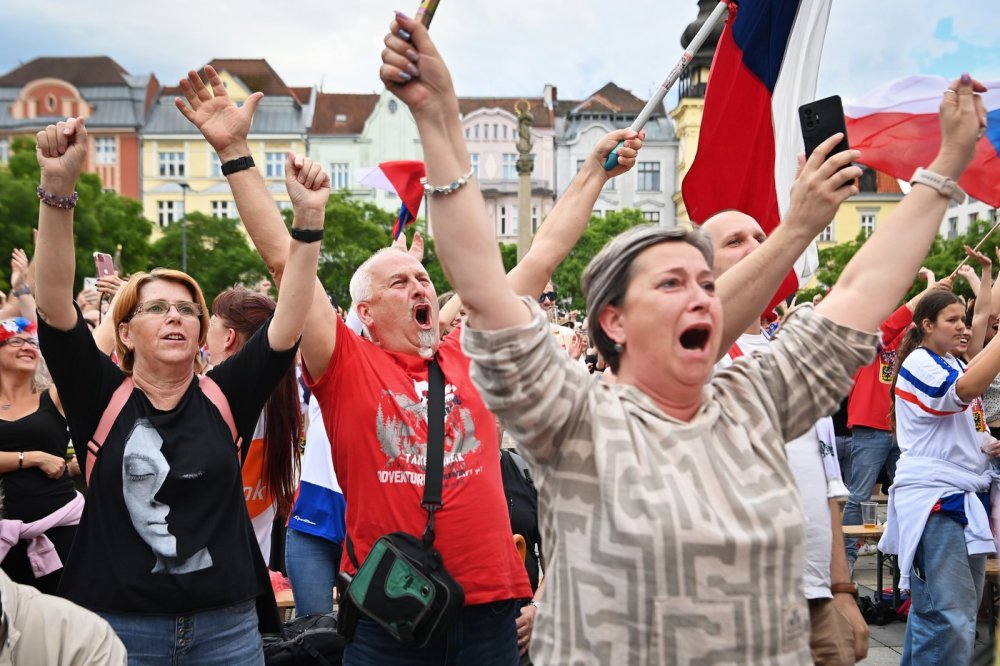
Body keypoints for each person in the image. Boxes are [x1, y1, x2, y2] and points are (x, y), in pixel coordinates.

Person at [381, 13, 987, 663]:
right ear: (612, 320)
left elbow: (862, 292)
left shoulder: (755, 398)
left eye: (706, 280)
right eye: (671, 282)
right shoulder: (574, 416)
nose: (702, 294)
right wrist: (439, 115)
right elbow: (482, 283)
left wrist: (946, 162)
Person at [177, 54, 650, 663]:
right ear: (365, 313)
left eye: (423, 278)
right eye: (400, 283)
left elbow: (541, 259)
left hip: (489, 612)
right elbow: (282, 261)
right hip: (390, 617)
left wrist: (592, 174)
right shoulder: (344, 362)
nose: (421, 287)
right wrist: (236, 156)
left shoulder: (469, 351)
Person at [32, 112, 326, 663]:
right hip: (117, 629)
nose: (176, 317)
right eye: (157, 308)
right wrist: (57, 190)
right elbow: (53, 305)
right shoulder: (101, 396)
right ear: (125, 331)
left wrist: (307, 222)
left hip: (228, 631)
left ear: (201, 332)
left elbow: (288, 319)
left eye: (187, 309)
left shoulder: (224, 395)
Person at [702, 210, 868, 665]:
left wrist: (843, 591)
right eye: (735, 241)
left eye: (761, 236)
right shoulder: (694, 359)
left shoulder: (793, 361)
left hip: (817, 599)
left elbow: (828, 486)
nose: (757, 245)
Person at [880, 287, 1000, 665]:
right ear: (926, 325)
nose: (963, 328)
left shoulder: (953, 362)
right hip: (939, 501)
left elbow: (966, 420)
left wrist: (988, 445)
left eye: (964, 320)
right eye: (953, 321)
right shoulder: (919, 362)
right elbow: (961, 393)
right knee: (949, 618)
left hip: (960, 498)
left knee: (940, 615)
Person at [207, 287, 302, 563]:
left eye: (212, 320)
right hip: (253, 575)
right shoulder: (284, 399)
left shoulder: (206, 396)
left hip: (207, 578)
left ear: (229, 337)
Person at [0, 316, 80, 594]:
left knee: (71, 619)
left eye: (32, 342)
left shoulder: (53, 397)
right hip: (5, 540)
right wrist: (32, 457)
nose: (27, 347)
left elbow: (86, 356)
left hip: (62, 529)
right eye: (16, 341)